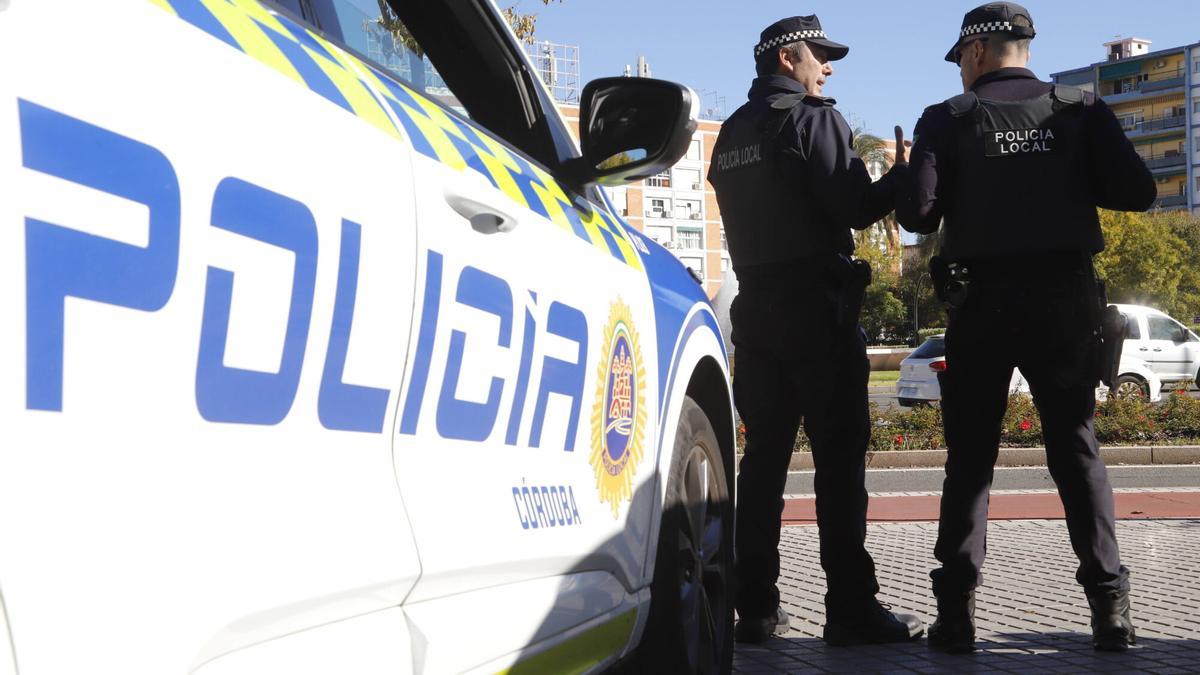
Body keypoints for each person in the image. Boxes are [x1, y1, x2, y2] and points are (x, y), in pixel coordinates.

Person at [895, 2, 1156, 654]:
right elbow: (1139, 191)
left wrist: (915, 173)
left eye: (960, 59)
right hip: (1064, 301)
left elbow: (919, 215)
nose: (960, 71)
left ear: (977, 52)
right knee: (1077, 451)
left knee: (970, 460)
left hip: (980, 303)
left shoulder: (947, 119)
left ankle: (955, 616)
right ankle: (1111, 611)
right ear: (1026, 50)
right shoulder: (1080, 109)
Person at [707, 14, 923, 646]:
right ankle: (851, 608)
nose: (826, 68)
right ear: (786, 60)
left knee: (762, 464)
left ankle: (754, 608)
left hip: (756, 314)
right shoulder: (813, 120)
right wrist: (900, 177)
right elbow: (854, 207)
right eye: (818, 57)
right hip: (818, 313)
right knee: (838, 466)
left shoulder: (731, 134)